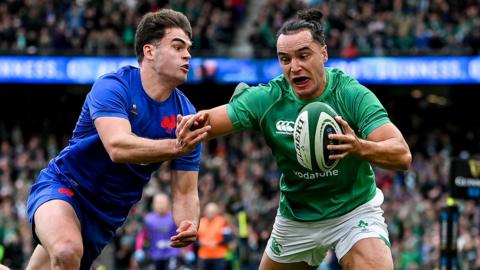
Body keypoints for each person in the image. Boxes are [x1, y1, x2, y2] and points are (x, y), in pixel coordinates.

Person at [194, 8, 412, 270]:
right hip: (297, 217)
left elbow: (402, 155)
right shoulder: (269, 98)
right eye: (284, 59)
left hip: (354, 212)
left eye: (303, 55)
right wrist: (184, 123)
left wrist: (359, 146)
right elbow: (208, 121)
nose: (294, 67)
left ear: (324, 54)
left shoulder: (352, 94)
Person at [25, 9, 210, 270]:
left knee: (64, 258)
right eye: (177, 46)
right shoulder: (113, 86)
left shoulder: (186, 115)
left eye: (189, 48)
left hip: (105, 216)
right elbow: (118, 146)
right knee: (67, 250)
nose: (187, 55)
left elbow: (185, 190)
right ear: (149, 52)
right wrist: (176, 146)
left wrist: (188, 221)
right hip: (65, 186)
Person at [134, 193, 181, 270]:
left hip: (172, 253)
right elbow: (142, 235)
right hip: (155, 254)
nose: (161, 205)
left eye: (163, 203)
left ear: (168, 204)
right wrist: (139, 249)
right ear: (153, 205)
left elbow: (182, 234)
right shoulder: (149, 219)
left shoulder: (174, 217)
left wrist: (188, 250)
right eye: (158, 203)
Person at [197, 202, 233, 270]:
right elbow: (195, 240)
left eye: (212, 212)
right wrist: (200, 242)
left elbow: (228, 238)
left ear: (216, 212)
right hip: (204, 256)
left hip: (219, 256)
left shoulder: (223, 221)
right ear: (205, 212)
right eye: (208, 212)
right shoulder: (200, 222)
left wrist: (217, 243)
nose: (210, 214)